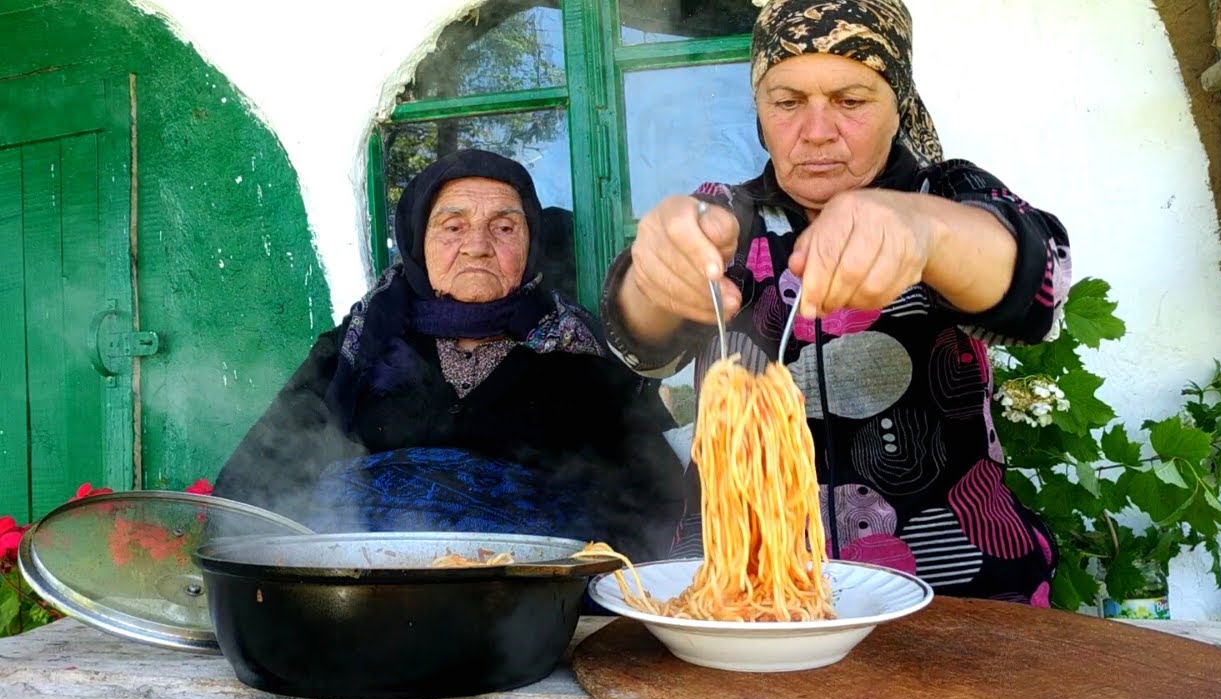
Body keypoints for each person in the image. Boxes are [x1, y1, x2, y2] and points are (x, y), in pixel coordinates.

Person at [598, 0, 1070, 604]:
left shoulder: (948, 194)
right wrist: (653, 272)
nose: (816, 131)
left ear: (898, 103)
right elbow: (637, 344)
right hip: (743, 593)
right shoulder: (729, 215)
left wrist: (926, 231)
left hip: (956, 593)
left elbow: (1040, 289)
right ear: (760, 113)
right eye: (786, 102)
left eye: (851, 101)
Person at [215, 149, 683, 563]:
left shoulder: (581, 353)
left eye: (503, 227)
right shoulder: (356, 350)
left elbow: (655, 503)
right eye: (453, 226)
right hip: (362, 610)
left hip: (531, 620)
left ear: (530, 244)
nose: (477, 246)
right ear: (419, 241)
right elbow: (255, 482)